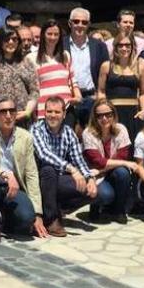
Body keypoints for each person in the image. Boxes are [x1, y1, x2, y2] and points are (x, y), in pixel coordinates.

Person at [0, 97, 47, 243]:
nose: (8, 115)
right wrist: (5, 173)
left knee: (26, 221)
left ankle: (4, 219)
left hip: (13, 190)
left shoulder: (25, 137)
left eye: (12, 111)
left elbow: (31, 174)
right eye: (3, 111)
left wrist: (37, 213)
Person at [30, 97, 96, 236]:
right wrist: (71, 169)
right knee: (49, 170)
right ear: (44, 112)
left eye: (57, 112)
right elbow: (44, 154)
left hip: (59, 179)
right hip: (39, 179)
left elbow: (78, 159)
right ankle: (51, 219)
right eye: (49, 111)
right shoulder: (36, 128)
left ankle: (59, 208)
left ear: (64, 114)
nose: (53, 115)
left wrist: (89, 177)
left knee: (92, 191)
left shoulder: (68, 132)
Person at [81, 99, 136, 224]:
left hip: (105, 171)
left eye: (108, 114)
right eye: (99, 115)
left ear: (114, 114)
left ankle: (119, 210)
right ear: (94, 117)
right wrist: (126, 163)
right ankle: (95, 205)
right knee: (106, 195)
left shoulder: (121, 129)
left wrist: (117, 164)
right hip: (95, 177)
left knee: (123, 173)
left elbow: (122, 156)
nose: (104, 118)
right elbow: (98, 161)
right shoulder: (87, 133)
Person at [0, 26, 38, 123]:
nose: (11, 42)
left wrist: (28, 111)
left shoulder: (26, 62)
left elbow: (34, 90)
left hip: (22, 118)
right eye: (6, 39)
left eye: (14, 39)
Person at [98, 34, 144, 143]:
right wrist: (103, 111)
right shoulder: (107, 66)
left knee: (133, 145)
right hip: (112, 113)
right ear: (115, 47)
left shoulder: (140, 67)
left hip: (133, 113)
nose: (124, 48)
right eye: (120, 45)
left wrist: (143, 111)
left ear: (132, 47)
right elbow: (101, 91)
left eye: (127, 45)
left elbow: (143, 93)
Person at [26, 20, 80, 120]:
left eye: (56, 34)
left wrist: (77, 96)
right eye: (49, 34)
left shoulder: (65, 55)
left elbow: (73, 80)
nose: (53, 37)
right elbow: (31, 88)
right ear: (43, 35)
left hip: (66, 108)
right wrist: (33, 112)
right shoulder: (31, 58)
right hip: (44, 110)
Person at [66, 7, 109, 130]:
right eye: (76, 21)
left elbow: (105, 73)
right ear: (70, 23)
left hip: (91, 98)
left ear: (89, 24)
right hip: (69, 99)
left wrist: (100, 96)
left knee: (93, 136)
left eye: (84, 22)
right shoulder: (61, 44)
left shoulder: (99, 46)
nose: (80, 25)